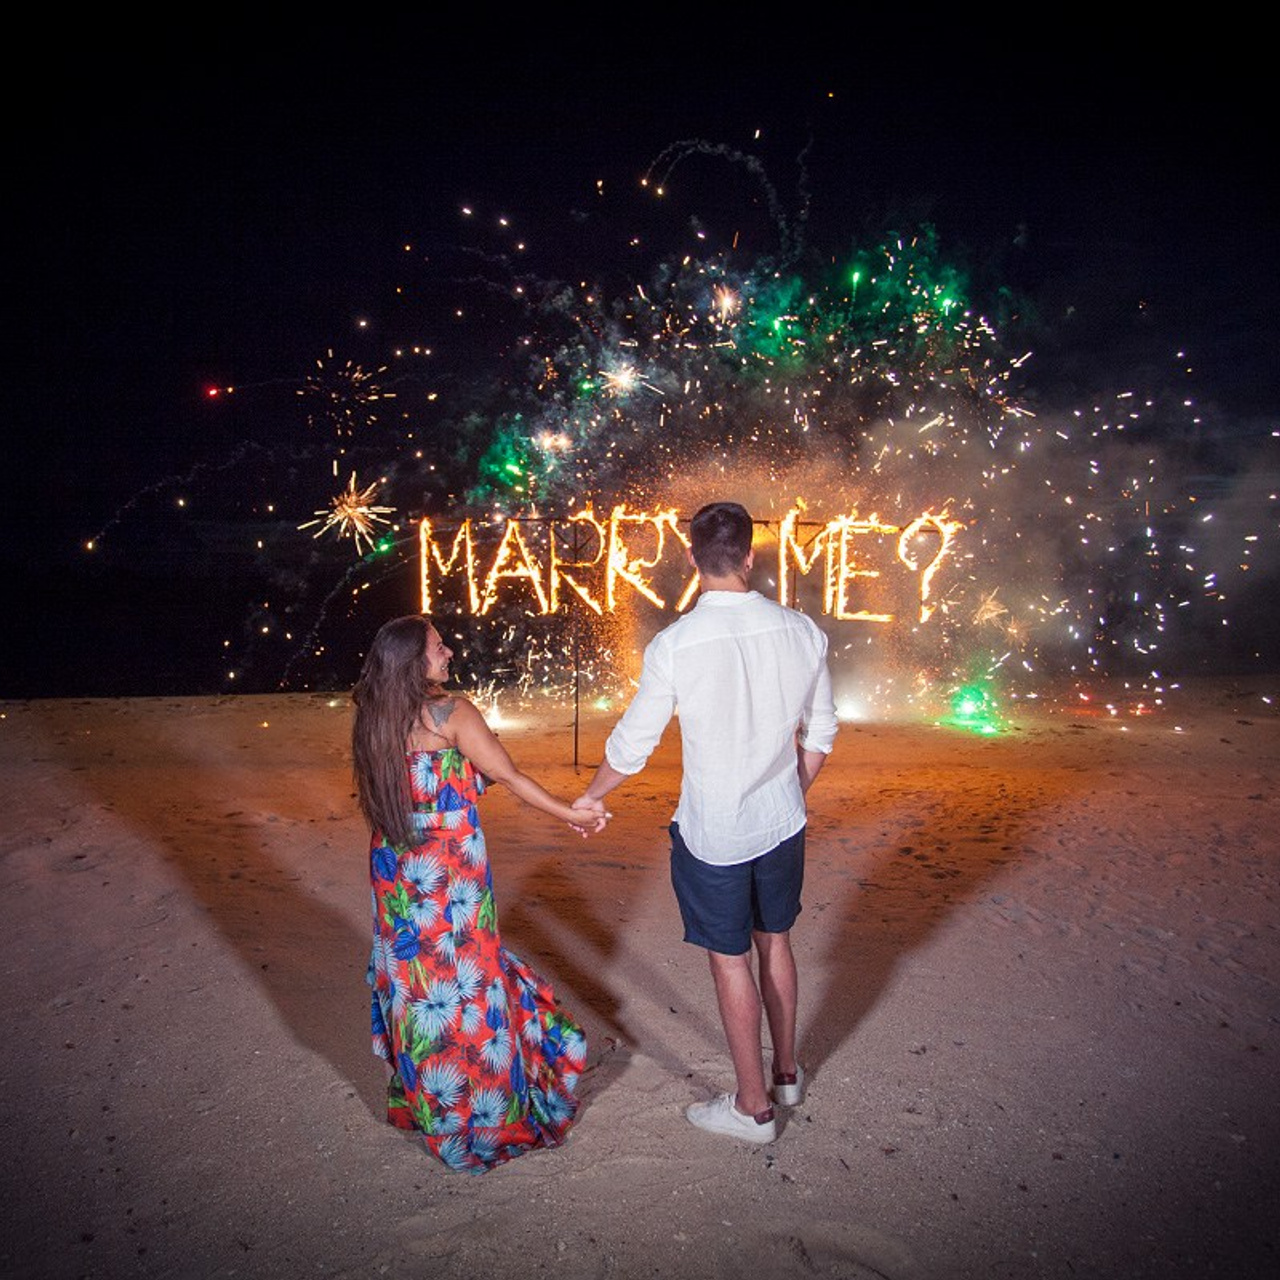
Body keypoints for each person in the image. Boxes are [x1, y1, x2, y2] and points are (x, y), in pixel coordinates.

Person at [574, 501, 836, 1143]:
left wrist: (592, 796)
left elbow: (632, 746)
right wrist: (789, 790)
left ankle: (752, 1108)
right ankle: (787, 1074)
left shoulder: (677, 645)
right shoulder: (802, 631)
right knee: (776, 940)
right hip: (782, 823)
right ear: (751, 556)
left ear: (692, 559)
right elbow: (822, 731)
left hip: (715, 832)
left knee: (730, 962)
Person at [352, 614, 608, 1173]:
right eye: (437, 647)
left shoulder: (373, 718)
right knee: (471, 982)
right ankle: (489, 1111)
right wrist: (572, 813)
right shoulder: (452, 712)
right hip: (449, 871)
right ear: (412, 662)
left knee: (417, 988)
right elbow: (510, 779)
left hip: (396, 870)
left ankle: (433, 1108)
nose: (448, 652)